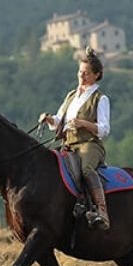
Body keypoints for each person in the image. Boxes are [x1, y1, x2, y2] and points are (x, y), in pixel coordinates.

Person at [38, 49, 112, 230]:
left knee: (86, 169)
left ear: (97, 75)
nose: (82, 76)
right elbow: (59, 121)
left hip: (89, 144)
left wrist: (83, 123)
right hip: (68, 144)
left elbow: (104, 129)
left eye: (86, 73)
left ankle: (102, 212)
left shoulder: (100, 99)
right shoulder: (72, 95)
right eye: (80, 72)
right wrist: (49, 119)